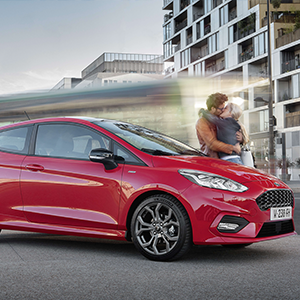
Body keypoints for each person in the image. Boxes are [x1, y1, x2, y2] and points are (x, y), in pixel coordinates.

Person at [196, 93, 242, 159]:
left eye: (224, 108)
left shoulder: (221, 118)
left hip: (225, 158)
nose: (222, 110)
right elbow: (211, 144)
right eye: (221, 109)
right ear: (213, 108)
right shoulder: (202, 122)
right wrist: (233, 148)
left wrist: (240, 138)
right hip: (212, 159)